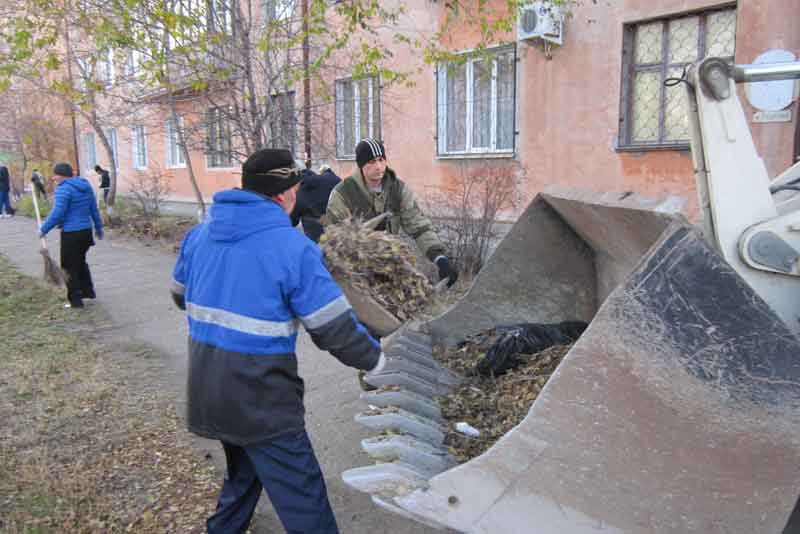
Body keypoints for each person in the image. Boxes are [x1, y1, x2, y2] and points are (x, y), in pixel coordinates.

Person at [170, 148, 385, 534]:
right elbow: (333, 328)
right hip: (261, 400)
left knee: (244, 477)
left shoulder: (199, 235)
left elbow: (178, 293)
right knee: (305, 503)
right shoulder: (292, 248)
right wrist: (378, 362)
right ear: (285, 193)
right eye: (297, 188)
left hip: (209, 389)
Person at [326, 138, 459, 287]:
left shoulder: (398, 190)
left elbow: (419, 226)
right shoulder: (342, 194)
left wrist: (440, 258)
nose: (378, 166)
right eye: (371, 162)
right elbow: (338, 242)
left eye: (381, 160)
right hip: (357, 275)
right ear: (361, 165)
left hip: (391, 268)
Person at [39, 163, 104, 308]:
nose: (54, 178)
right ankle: (87, 291)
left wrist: (43, 229)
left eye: (55, 175)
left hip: (72, 234)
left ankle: (75, 300)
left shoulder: (63, 189)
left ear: (62, 175)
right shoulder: (85, 185)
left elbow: (58, 213)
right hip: (86, 232)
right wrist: (99, 228)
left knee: (69, 267)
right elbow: (93, 209)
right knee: (80, 262)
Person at [289, 165, 341, 243]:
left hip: (315, 240)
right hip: (337, 234)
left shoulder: (300, 191)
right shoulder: (328, 180)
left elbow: (293, 220)